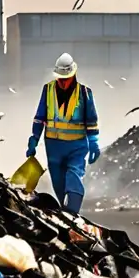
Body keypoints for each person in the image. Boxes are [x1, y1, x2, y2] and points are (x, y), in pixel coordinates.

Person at [26, 53, 100, 214]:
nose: (62, 82)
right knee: (59, 185)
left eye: (65, 78)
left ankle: (73, 213)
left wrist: (93, 142)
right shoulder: (48, 90)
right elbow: (40, 118)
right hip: (53, 148)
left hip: (76, 147)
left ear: (73, 75)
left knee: (73, 179)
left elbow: (92, 121)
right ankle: (65, 214)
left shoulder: (85, 93)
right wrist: (34, 139)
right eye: (60, 78)